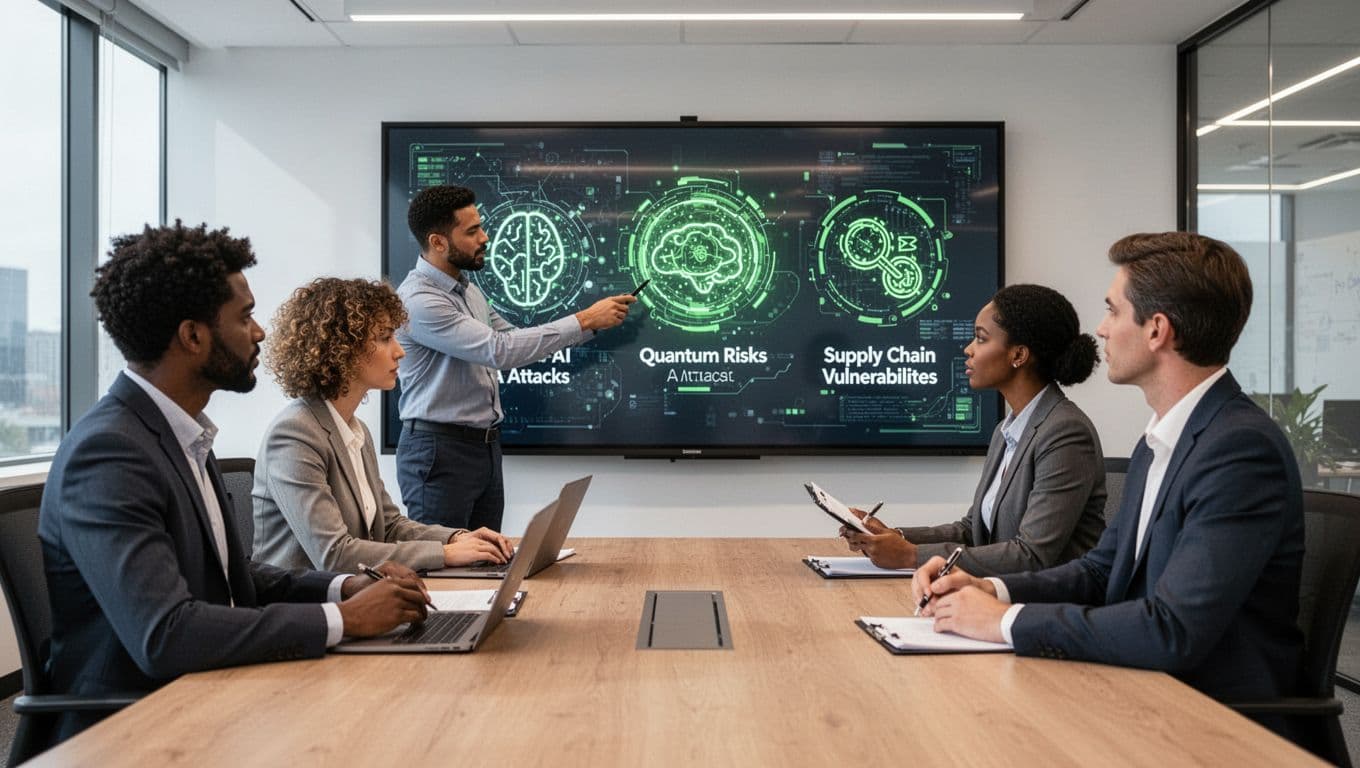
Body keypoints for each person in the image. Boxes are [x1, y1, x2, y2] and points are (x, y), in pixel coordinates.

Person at [39, 222, 431, 744]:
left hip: (215, 687)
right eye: (244, 317)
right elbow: (166, 633)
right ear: (193, 336)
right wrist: (343, 619)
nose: (260, 332)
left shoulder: (180, 434)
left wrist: (347, 584)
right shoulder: (109, 452)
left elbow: (231, 579)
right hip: (138, 727)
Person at [914, 232, 1305, 710]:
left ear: (1157, 330)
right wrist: (988, 587)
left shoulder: (1239, 450)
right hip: (1137, 687)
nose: (1100, 329)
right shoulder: (1160, 439)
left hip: (1209, 717)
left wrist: (1002, 621)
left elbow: (1173, 629)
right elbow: (1101, 573)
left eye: (1113, 311)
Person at [394, 184, 636, 531]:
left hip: (484, 447)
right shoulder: (420, 301)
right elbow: (500, 351)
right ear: (438, 242)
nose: (485, 237)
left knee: (484, 562)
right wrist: (584, 319)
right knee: (442, 571)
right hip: (439, 452)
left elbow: (510, 337)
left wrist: (591, 325)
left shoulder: (468, 290)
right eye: (472, 230)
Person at [842, 284, 1106, 576]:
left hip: (1047, 610)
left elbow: (1031, 556)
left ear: (1018, 355)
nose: (968, 349)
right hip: (998, 599)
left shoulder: (1065, 433)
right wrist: (896, 536)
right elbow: (973, 532)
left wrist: (912, 556)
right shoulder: (1006, 430)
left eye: (981, 338)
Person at [253, 277, 513, 572]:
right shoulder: (294, 435)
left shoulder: (355, 429)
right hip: (303, 610)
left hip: (357, 599)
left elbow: (389, 526)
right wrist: (446, 554)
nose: (399, 351)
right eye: (385, 337)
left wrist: (457, 537)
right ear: (343, 347)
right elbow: (334, 555)